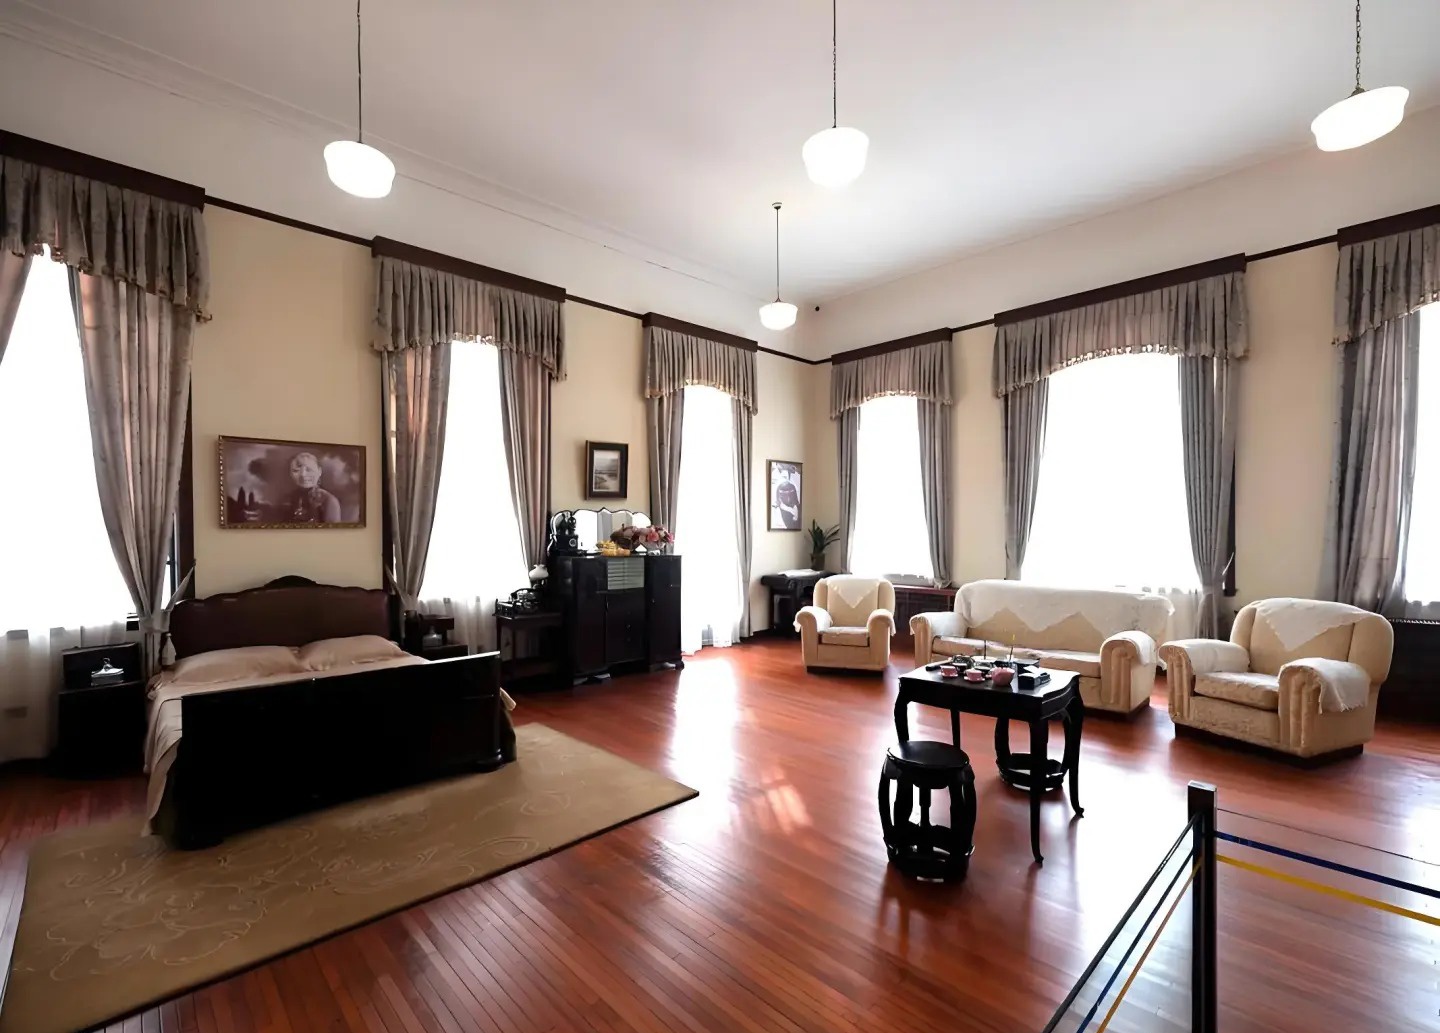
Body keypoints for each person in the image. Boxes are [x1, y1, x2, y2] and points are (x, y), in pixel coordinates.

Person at [287, 451, 342, 523]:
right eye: (296, 471)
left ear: (319, 472)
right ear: (290, 474)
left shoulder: (328, 501)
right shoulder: (289, 499)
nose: (303, 475)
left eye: (309, 470)